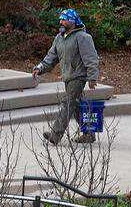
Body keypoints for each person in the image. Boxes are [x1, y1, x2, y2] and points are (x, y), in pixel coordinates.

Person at [32, 8, 100, 144]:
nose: (61, 21)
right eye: (60, 19)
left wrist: (92, 77)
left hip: (78, 77)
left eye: (64, 19)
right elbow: (51, 57)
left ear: (72, 21)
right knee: (77, 105)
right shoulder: (59, 38)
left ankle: (55, 135)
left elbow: (91, 58)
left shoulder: (83, 37)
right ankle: (89, 134)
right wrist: (40, 68)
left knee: (67, 103)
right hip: (67, 77)